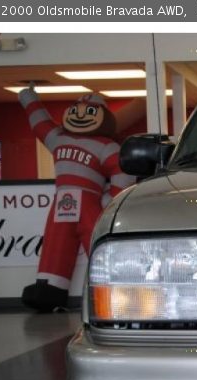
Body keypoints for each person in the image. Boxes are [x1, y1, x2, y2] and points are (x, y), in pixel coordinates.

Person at [18, 84, 135, 312]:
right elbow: (40, 124)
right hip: (64, 201)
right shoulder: (59, 138)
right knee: (55, 243)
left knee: (98, 242)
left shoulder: (105, 146)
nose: (80, 116)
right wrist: (27, 95)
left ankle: (118, 287)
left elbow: (123, 170)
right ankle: (49, 290)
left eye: (89, 112)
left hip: (88, 203)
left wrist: (110, 200)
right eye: (76, 111)